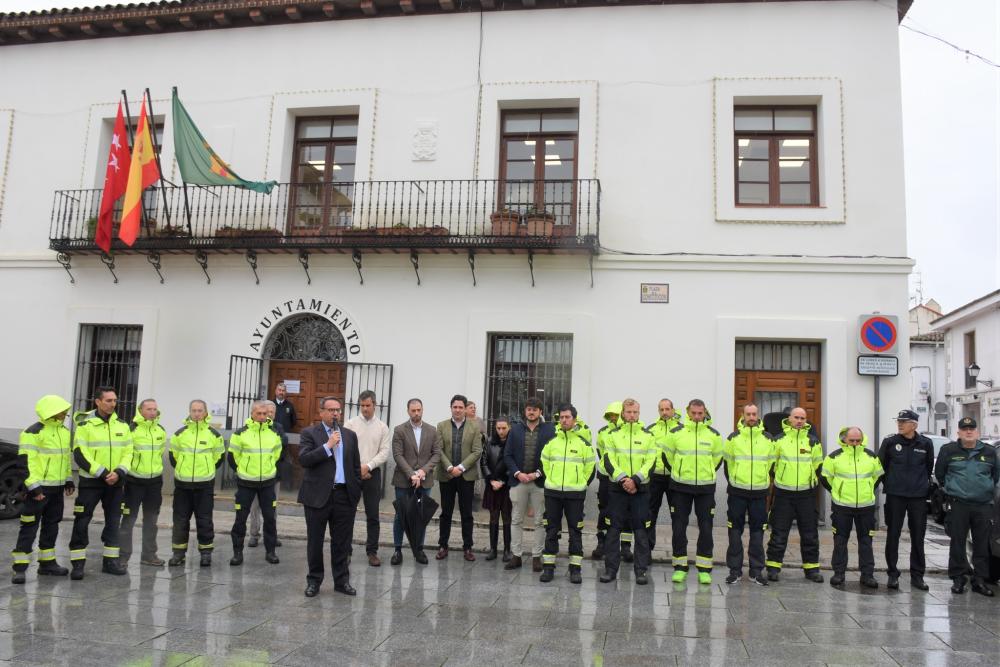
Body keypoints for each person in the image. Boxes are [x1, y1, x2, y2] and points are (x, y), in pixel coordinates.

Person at [298, 397, 362, 597]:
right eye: (331, 409)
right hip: (317, 496)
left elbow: (355, 466)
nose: (335, 413)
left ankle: (342, 581)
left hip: (343, 495)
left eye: (338, 410)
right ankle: (314, 581)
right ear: (321, 412)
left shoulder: (350, 435)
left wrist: (355, 491)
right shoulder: (309, 433)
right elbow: (304, 459)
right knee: (315, 542)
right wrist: (327, 446)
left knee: (342, 542)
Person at [69, 386, 132, 579]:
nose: (113, 404)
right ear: (98, 401)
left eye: (115, 400)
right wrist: (103, 473)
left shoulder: (122, 425)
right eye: (109, 400)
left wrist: (119, 472)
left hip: (115, 483)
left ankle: (110, 562)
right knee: (82, 520)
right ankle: (78, 563)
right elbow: (80, 454)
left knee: (113, 522)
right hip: (91, 482)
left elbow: (129, 452)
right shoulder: (85, 425)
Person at [11, 395, 75, 584]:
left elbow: (65, 459)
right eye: (63, 411)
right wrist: (34, 488)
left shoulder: (64, 432)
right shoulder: (32, 432)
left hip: (57, 489)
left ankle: (47, 564)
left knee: (51, 526)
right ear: (52, 411)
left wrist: (68, 480)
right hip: (38, 490)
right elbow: (25, 464)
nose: (65, 415)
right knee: (29, 527)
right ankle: (19, 568)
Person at [935, 417, 999, 596]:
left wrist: (984, 490)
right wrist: (951, 488)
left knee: (981, 544)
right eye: (965, 429)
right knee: (957, 543)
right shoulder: (948, 450)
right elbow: (940, 474)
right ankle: (958, 579)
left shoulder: (989, 451)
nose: (968, 431)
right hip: (959, 504)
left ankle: (979, 580)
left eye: (971, 429)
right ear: (959, 432)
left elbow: (995, 475)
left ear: (977, 432)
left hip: (983, 505)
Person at [665, 398, 723, 584]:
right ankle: (680, 567)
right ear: (688, 412)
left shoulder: (714, 435)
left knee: (706, 528)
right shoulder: (675, 433)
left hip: (705, 488)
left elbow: (717, 460)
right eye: (694, 413)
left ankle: (704, 569)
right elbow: (668, 457)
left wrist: (705, 473)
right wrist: (680, 471)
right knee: (679, 527)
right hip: (680, 487)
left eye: (700, 413)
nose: (697, 416)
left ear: (705, 413)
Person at [600, 398, 656, 584]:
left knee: (641, 531)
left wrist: (636, 480)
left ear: (639, 413)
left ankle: (641, 571)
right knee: (613, 530)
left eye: (635, 412)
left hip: (640, 490)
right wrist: (624, 479)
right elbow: (608, 460)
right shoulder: (612, 435)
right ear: (623, 414)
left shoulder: (648, 436)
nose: (632, 415)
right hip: (617, 489)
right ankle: (610, 570)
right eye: (629, 412)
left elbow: (651, 461)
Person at [765, 406, 824, 583]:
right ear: (789, 419)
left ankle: (811, 569)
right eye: (796, 417)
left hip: (806, 495)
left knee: (810, 534)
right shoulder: (778, 440)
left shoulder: (813, 441)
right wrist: (783, 478)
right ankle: (773, 568)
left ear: (806, 421)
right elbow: (771, 465)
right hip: (784, 494)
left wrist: (808, 480)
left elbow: (818, 466)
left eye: (802, 418)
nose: (799, 421)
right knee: (779, 533)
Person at [820, 426, 883, 589]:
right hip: (842, 507)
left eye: (858, 440)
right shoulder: (833, 457)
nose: (855, 443)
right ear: (844, 440)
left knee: (866, 541)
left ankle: (867, 575)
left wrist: (868, 489)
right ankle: (839, 574)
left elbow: (878, 477)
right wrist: (837, 491)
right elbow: (825, 478)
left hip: (866, 507)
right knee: (840, 541)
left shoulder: (871, 456)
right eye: (852, 440)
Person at [878, 409, 934, 591]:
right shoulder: (890, 442)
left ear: (914, 425)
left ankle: (917, 575)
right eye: (899, 421)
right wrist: (892, 483)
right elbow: (881, 467)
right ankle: (892, 574)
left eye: (904, 421)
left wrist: (920, 485)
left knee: (918, 536)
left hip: (918, 497)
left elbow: (928, 468)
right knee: (893, 534)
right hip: (896, 495)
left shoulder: (925, 443)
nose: (900, 424)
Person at [540, 404, 595, 584]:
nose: (564, 420)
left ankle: (575, 568)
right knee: (551, 529)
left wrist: (581, 484)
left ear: (574, 419)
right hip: (553, 493)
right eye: (561, 417)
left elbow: (590, 468)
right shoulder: (551, 442)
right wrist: (552, 480)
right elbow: (544, 464)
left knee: (575, 530)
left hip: (575, 495)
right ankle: (548, 567)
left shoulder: (584, 444)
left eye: (567, 417)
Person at [168, 399, 225, 567]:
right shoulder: (179, 434)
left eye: (200, 410)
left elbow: (219, 458)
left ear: (205, 412)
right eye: (194, 410)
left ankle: (206, 553)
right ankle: (178, 554)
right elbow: (173, 457)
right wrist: (183, 470)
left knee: (204, 520)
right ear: (189, 412)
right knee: (180, 520)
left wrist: (207, 470)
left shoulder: (214, 435)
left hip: (204, 485)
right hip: (182, 485)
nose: (197, 414)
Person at [228, 400, 284, 566]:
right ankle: (237, 553)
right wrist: (243, 470)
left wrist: (267, 469)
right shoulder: (240, 433)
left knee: (270, 519)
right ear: (252, 414)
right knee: (240, 519)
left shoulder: (274, 433)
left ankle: (270, 552)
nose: (262, 416)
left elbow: (277, 455)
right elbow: (232, 457)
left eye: (264, 414)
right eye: (258, 413)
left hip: (267, 483)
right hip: (246, 483)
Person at [723, 403, 774, 585]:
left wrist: (762, 481)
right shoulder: (733, 438)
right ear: (743, 415)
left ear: (758, 415)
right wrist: (735, 481)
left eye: (754, 414)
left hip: (759, 493)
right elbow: (728, 464)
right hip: (737, 492)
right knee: (734, 532)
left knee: (758, 532)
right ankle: (734, 571)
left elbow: (772, 464)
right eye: (748, 414)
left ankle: (756, 571)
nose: (751, 417)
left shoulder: (768, 439)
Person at [504, 397, 556, 572]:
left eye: (534, 409)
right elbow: (507, 455)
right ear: (525, 411)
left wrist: (537, 473)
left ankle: (536, 557)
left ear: (540, 412)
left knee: (540, 521)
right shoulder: (515, 430)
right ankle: (516, 556)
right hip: (518, 481)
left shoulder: (549, 430)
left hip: (539, 482)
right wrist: (518, 473)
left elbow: (552, 456)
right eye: (528, 409)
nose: (531, 412)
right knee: (516, 519)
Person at [390, 398, 441, 566]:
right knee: (400, 516)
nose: (416, 413)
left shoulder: (432, 430)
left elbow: (436, 454)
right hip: (403, 481)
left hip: (424, 480)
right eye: (413, 410)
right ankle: (397, 549)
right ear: (408, 411)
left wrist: (422, 472)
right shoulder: (399, 430)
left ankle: (418, 549)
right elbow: (397, 455)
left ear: (422, 409)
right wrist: (412, 474)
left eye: (419, 410)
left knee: (421, 516)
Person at [345, 389, 391, 567]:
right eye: (362, 405)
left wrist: (368, 466)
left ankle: (372, 552)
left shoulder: (382, 427)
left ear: (375, 405)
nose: (364, 409)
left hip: (372, 473)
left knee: (373, 514)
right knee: (348, 513)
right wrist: (358, 468)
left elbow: (384, 452)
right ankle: (346, 551)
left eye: (368, 405)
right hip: (353, 473)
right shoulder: (350, 424)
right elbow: (346, 449)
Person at [119, 398, 167, 567]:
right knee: (128, 520)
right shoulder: (130, 430)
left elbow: (160, 453)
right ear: (140, 411)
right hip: (134, 482)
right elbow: (125, 454)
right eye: (149, 409)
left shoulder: (161, 430)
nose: (153, 412)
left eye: (155, 409)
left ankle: (149, 555)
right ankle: (123, 556)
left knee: (151, 521)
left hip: (154, 483)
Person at [436, 394, 484, 561]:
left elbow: (477, 451)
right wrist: (450, 467)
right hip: (446, 475)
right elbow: (438, 449)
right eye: (455, 407)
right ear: (451, 408)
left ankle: (468, 547)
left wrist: (461, 467)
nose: (457, 410)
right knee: (446, 513)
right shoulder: (441, 426)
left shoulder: (474, 427)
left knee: (467, 513)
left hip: (466, 476)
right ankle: (443, 545)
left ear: (465, 409)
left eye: (460, 407)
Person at [593, 402, 633, 561]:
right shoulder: (602, 432)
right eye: (610, 415)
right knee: (604, 510)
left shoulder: (629, 432)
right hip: (606, 477)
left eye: (616, 415)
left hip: (626, 477)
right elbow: (601, 452)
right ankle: (602, 543)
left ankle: (625, 547)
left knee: (627, 512)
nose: (613, 418)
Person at [248, 401, 286, 549]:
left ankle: (271, 535)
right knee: (254, 507)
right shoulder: (250, 428)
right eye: (266, 412)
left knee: (272, 508)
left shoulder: (278, 428)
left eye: (271, 412)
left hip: (273, 476)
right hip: (253, 476)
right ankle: (253, 535)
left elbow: (283, 445)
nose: (268, 414)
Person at [645, 398, 681, 555]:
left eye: (667, 409)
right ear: (658, 411)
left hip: (674, 478)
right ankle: (646, 551)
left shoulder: (681, 430)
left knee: (678, 516)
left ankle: (678, 553)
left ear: (673, 410)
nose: (665, 412)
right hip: (655, 477)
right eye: (662, 409)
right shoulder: (651, 430)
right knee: (650, 514)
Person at [480, 416, 513, 562]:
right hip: (492, 485)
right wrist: (491, 480)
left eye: (504, 428)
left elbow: (515, 463)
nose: (501, 431)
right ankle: (493, 549)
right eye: (498, 428)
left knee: (507, 517)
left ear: (509, 427)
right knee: (493, 517)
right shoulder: (489, 442)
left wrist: (503, 481)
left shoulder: (513, 442)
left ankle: (507, 550)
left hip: (507, 486)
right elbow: (483, 462)